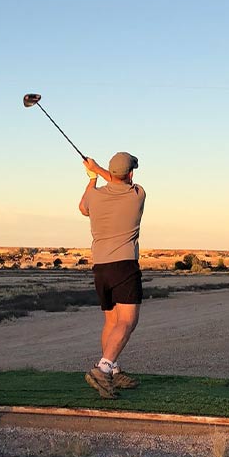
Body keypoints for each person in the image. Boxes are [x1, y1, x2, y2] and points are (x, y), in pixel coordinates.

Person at [78, 152, 146, 399]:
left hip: (101, 267)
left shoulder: (95, 196)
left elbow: (83, 207)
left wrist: (92, 177)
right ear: (131, 173)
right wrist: (97, 169)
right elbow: (119, 181)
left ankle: (114, 372)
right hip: (124, 266)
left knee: (111, 322)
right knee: (127, 322)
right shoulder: (137, 194)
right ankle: (102, 369)